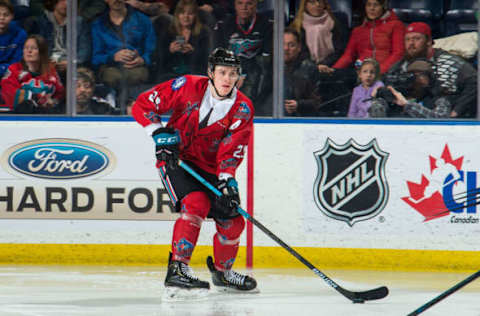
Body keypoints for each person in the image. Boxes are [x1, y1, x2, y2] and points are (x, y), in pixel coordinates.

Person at [131, 47, 257, 292]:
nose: (227, 79)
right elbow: (143, 105)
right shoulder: (187, 86)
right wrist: (158, 133)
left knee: (233, 223)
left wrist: (227, 179)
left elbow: (233, 146)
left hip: (211, 168)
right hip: (177, 160)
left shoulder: (243, 108)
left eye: (233, 74)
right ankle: (178, 268)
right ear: (210, 72)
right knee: (196, 204)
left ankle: (223, 273)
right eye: (222, 72)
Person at [379, 22, 477, 118]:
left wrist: (457, 110)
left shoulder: (449, 61)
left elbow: (475, 81)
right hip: (407, 116)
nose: (411, 43)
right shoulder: (399, 66)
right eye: (407, 39)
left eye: (416, 39)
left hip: (441, 117)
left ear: (429, 41)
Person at [213, 0, 273, 115]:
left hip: (257, 73)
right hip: (231, 72)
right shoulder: (224, 25)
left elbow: (266, 58)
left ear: (256, 5)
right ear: (234, 5)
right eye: (240, 3)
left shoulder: (267, 25)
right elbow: (218, 56)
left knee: (259, 74)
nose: (244, 7)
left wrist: (244, 73)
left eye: (249, 3)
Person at [319, 0, 405, 75]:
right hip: (361, 73)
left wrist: (379, 71)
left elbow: (398, 53)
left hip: (384, 72)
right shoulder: (358, 30)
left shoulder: (396, 25)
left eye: (376, 5)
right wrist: (334, 70)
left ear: (383, 7)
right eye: (369, 5)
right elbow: (348, 55)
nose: (372, 8)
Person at [91, 0, 156, 94]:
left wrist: (143, 59)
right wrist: (113, 57)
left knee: (137, 75)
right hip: (110, 67)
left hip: (137, 67)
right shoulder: (98, 24)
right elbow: (95, 57)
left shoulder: (142, 20)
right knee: (113, 77)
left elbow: (152, 49)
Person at [23, 0, 91, 78]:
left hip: (72, 66)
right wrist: (47, 62)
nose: (66, 3)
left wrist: (71, 62)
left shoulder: (80, 22)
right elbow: (33, 48)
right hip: (45, 65)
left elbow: (85, 51)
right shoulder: (38, 22)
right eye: (62, 0)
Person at [368, 58, 452, 118]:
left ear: (431, 77)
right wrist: (377, 100)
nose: (416, 79)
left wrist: (407, 105)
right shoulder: (398, 96)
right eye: (412, 75)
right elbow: (376, 123)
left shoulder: (439, 99)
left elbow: (440, 119)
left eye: (420, 75)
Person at [1, 34, 64, 113]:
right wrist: (35, 97)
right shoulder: (14, 69)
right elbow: (7, 91)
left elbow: (60, 93)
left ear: (42, 52)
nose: (29, 51)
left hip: (44, 117)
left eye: (34, 48)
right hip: (17, 117)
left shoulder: (51, 71)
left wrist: (53, 102)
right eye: (26, 48)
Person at [153, 0, 212, 82]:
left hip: (194, 74)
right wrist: (170, 50)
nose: (186, 17)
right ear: (177, 15)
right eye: (182, 13)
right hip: (170, 74)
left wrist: (193, 52)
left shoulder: (203, 32)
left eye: (190, 14)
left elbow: (207, 59)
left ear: (195, 16)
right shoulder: (168, 31)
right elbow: (157, 58)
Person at [288, 0, 347, 67]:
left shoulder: (335, 24)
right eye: (312, 2)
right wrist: (314, 67)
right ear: (305, 5)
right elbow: (297, 53)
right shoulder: (296, 26)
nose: (317, 4)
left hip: (330, 67)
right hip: (304, 68)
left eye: (320, 1)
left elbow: (339, 51)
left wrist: (324, 64)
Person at [283, 28, 322, 116]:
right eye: (282, 44)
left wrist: (299, 104)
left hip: (300, 120)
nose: (286, 48)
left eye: (291, 45)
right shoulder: (268, 67)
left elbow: (317, 102)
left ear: (299, 47)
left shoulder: (310, 69)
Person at [0, 0, 26, 79]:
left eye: (6, 15)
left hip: (11, 74)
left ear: (12, 16)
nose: (1, 18)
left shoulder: (20, 34)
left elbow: (17, 61)